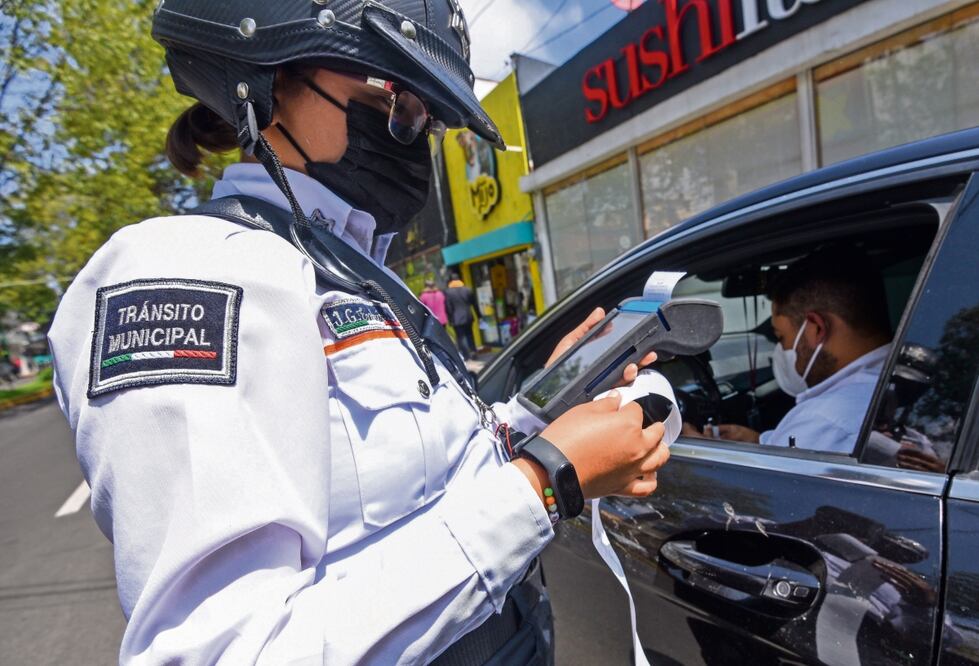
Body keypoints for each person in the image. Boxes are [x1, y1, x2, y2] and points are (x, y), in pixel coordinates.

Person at [45, 2, 669, 663]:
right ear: (267, 79)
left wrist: (532, 417)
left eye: (431, 117)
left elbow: (414, 477)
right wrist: (545, 483)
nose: (417, 133)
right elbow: (229, 650)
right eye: (399, 101)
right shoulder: (194, 273)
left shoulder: (353, 267)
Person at [710, 248, 893, 453]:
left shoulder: (824, 421)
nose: (781, 349)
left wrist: (702, 448)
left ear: (816, 328)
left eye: (781, 337)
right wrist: (759, 441)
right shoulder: (894, 380)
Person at [444, 272, 480, 360]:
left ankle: (466, 356)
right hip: (468, 316)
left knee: (461, 337)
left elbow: (448, 307)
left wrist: (450, 319)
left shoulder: (448, 292)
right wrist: (479, 315)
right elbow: (474, 304)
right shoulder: (467, 289)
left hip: (456, 319)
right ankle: (473, 352)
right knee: (470, 335)